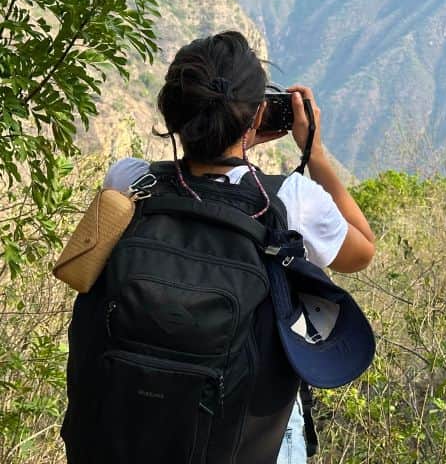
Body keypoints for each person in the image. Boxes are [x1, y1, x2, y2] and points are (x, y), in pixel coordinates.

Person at [65, 30, 375, 462]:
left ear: (173, 113)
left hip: (128, 426)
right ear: (258, 115)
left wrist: (236, 135)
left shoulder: (129, 180)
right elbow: (362, 251)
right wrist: (315, 155)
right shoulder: (291, 201)